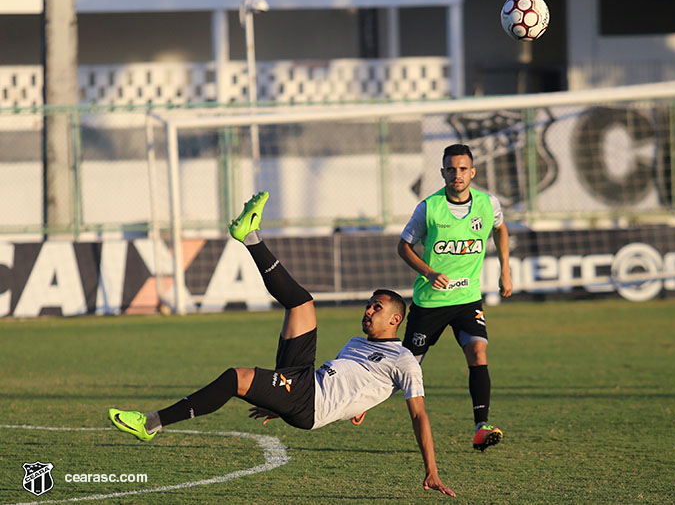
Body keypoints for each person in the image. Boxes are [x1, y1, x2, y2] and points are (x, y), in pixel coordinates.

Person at [108, 191, 455, 497]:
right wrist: (285, 403)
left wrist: (431, 469)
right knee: (302, 303)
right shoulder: (356, 342)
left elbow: (419, 413)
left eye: (376, 308)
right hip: (305, 379)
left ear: (396, 319)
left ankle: (151, 422)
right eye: (368, 304)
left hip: (309, 402)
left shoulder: (406, 360)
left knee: (235, 378)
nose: (368, 311)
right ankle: (251, 236)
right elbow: (360, 385)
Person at [398, 144, 512, 451]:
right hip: (431, 302)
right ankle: (362, 403)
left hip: (467, 300)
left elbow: (500, 229)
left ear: (472, 172)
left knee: (478, 353)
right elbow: (404, 246)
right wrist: (429, 272)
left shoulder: (488, 204)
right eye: (451, 169)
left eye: (463, 169)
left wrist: (506, 270)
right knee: (405, 366)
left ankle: (481, 426)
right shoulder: (428, 208)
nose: (457, 175)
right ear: (443, 172)